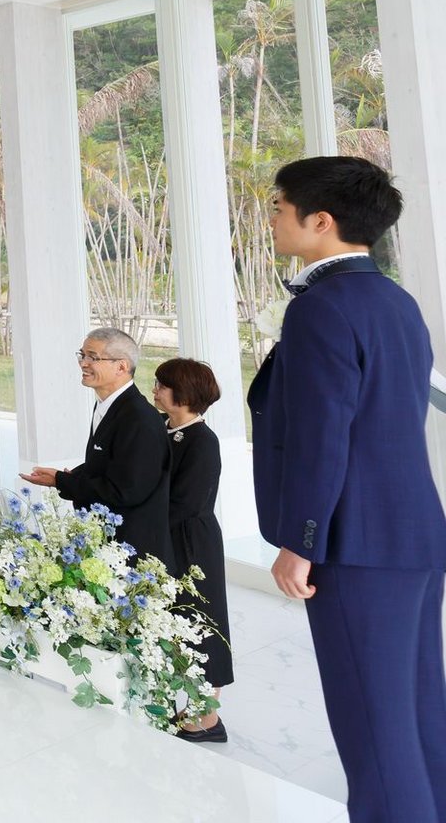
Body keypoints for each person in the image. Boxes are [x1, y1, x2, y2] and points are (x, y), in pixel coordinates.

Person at [250, 156, 446, 819]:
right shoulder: (397, 302)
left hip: (353, 545)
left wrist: (300, 542)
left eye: (279, 207)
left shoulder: (321, 309)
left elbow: (322, 437)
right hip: (413, 535)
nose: (272, 219)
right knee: (417, 716)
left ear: (321, 221)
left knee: (373, 736)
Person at [21, 327, 172, 571]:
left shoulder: (139, 418)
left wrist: (62, 481)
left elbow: (126, 490)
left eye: (93, 357)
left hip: (131, 552)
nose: (83, 363)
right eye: (82, 355)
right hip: (107, 544)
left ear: (121, 366)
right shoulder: (108, 406)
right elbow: (111, 463)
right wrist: (72, 476)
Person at [150, 357, 232, 741]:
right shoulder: (161, 428)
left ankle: (208, 718)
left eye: (162, 385)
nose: (155, 390)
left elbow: (184, 502)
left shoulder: (203, 442)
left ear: (183, 393)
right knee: (167, 620)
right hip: (162, 536)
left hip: (191, 543)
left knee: (202, 624)